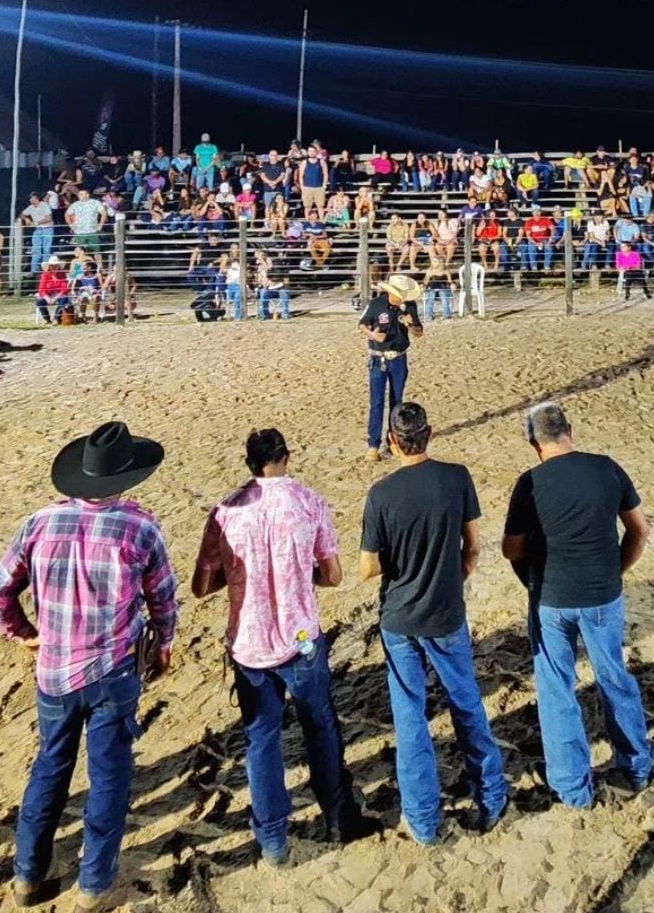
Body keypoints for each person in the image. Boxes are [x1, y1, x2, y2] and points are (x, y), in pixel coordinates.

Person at [0, 422, 177, 910]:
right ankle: (94, 883)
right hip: (113, 667)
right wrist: (165, 646)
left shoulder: (39, 523)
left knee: (50, 766)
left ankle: (28, 874)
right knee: (109, 774)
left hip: (55, 669)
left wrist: (24, 634)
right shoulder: (140, 528)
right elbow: (163, 601)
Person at [192, 429, 372, 863]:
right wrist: (299, 573)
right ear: (285, 457)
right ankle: (337, 813)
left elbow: (200, 585)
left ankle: (272, 838)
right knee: (320, 725)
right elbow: (332, 575)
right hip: (300, 636)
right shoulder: (308, 502)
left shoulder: (225, 512)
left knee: (261, 740)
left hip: (249, 641)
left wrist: (238, 575)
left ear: (249, 463)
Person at [359, 403, 508, 844]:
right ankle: (492, 796)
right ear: (431, 433)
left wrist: (399, 561)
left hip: (401, 616)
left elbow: (367, 568)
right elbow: (474, 547)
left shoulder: (381, 494)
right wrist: (451, 576)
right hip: (446, 611)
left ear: (392, 442)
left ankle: (424, 822)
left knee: (411, 720)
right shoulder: (456, 477)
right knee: (467, 705)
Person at [502, 402, 652, 806]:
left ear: (534, 443)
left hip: (552, 596)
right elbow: (640, 530)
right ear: (571, 429)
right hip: (603, 593)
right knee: (614, 676)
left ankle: (572, 787)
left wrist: (531, 580)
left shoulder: (530, 483)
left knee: (557, 689)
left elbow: (511, 548)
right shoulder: (607, 467)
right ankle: (636, 765)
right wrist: (616, 569)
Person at [358, 275, 423, 462]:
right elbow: (362, 323)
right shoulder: (376, 304)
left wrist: (410, 324)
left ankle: (393, 440)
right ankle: (373, 444)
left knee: (397, 401)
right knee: (377, 402)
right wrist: (371, 335)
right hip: (378, 359)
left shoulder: (409, 306)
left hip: (399, 358)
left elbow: (419, 333)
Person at [21, 191, 56, 276]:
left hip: (47, 229)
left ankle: (46, 271)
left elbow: (49, 218)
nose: (30, 200)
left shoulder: (44, 205)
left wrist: (37, 223)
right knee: (36, 249)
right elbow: (22, 214)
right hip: (38, 230)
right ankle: (34, 270)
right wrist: (26, 218)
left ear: (36, 198)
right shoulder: (31, 207)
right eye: (30, 198)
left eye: (31, 198)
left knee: (46, 250)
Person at [65, 189, 106, 258]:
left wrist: (100, 224)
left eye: (82, 194)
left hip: (92, 231)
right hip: (80, 232)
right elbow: (67, 214)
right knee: (81, 251)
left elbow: (103, 213)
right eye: (79, 194)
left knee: (97, 251)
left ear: (87, 195)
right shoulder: (75, 204)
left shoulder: (95, 203)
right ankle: (82, 267)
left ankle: (99, 268)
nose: (79, 196)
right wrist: (71, 225)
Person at [36, 257, 71, 324]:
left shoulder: (62, 274)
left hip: (59, 295)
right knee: (39, 302)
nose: (54, 267)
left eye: (56, 265)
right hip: (48, 295)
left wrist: (56, 297)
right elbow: (41, 289)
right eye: (52, 266)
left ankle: (56, 318)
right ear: (49, 266)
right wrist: (47, 298)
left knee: (64, 299)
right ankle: (46, 318)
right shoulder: (45, 275)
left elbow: (65, 288)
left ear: (58, 266)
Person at [298, 144, 329, 218]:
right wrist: (302, 187)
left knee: (320, 206)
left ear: (316, 152)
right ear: (308, 152)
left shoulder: (321, 162)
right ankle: (307, 222)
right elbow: (301, 176)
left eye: (313, 151)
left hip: (319, 188)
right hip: (307, 187)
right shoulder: (304, 162)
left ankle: (321, 221)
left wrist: (324, 185)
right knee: (307, 207)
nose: (311, 153)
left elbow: (325, 174)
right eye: (309, 151)